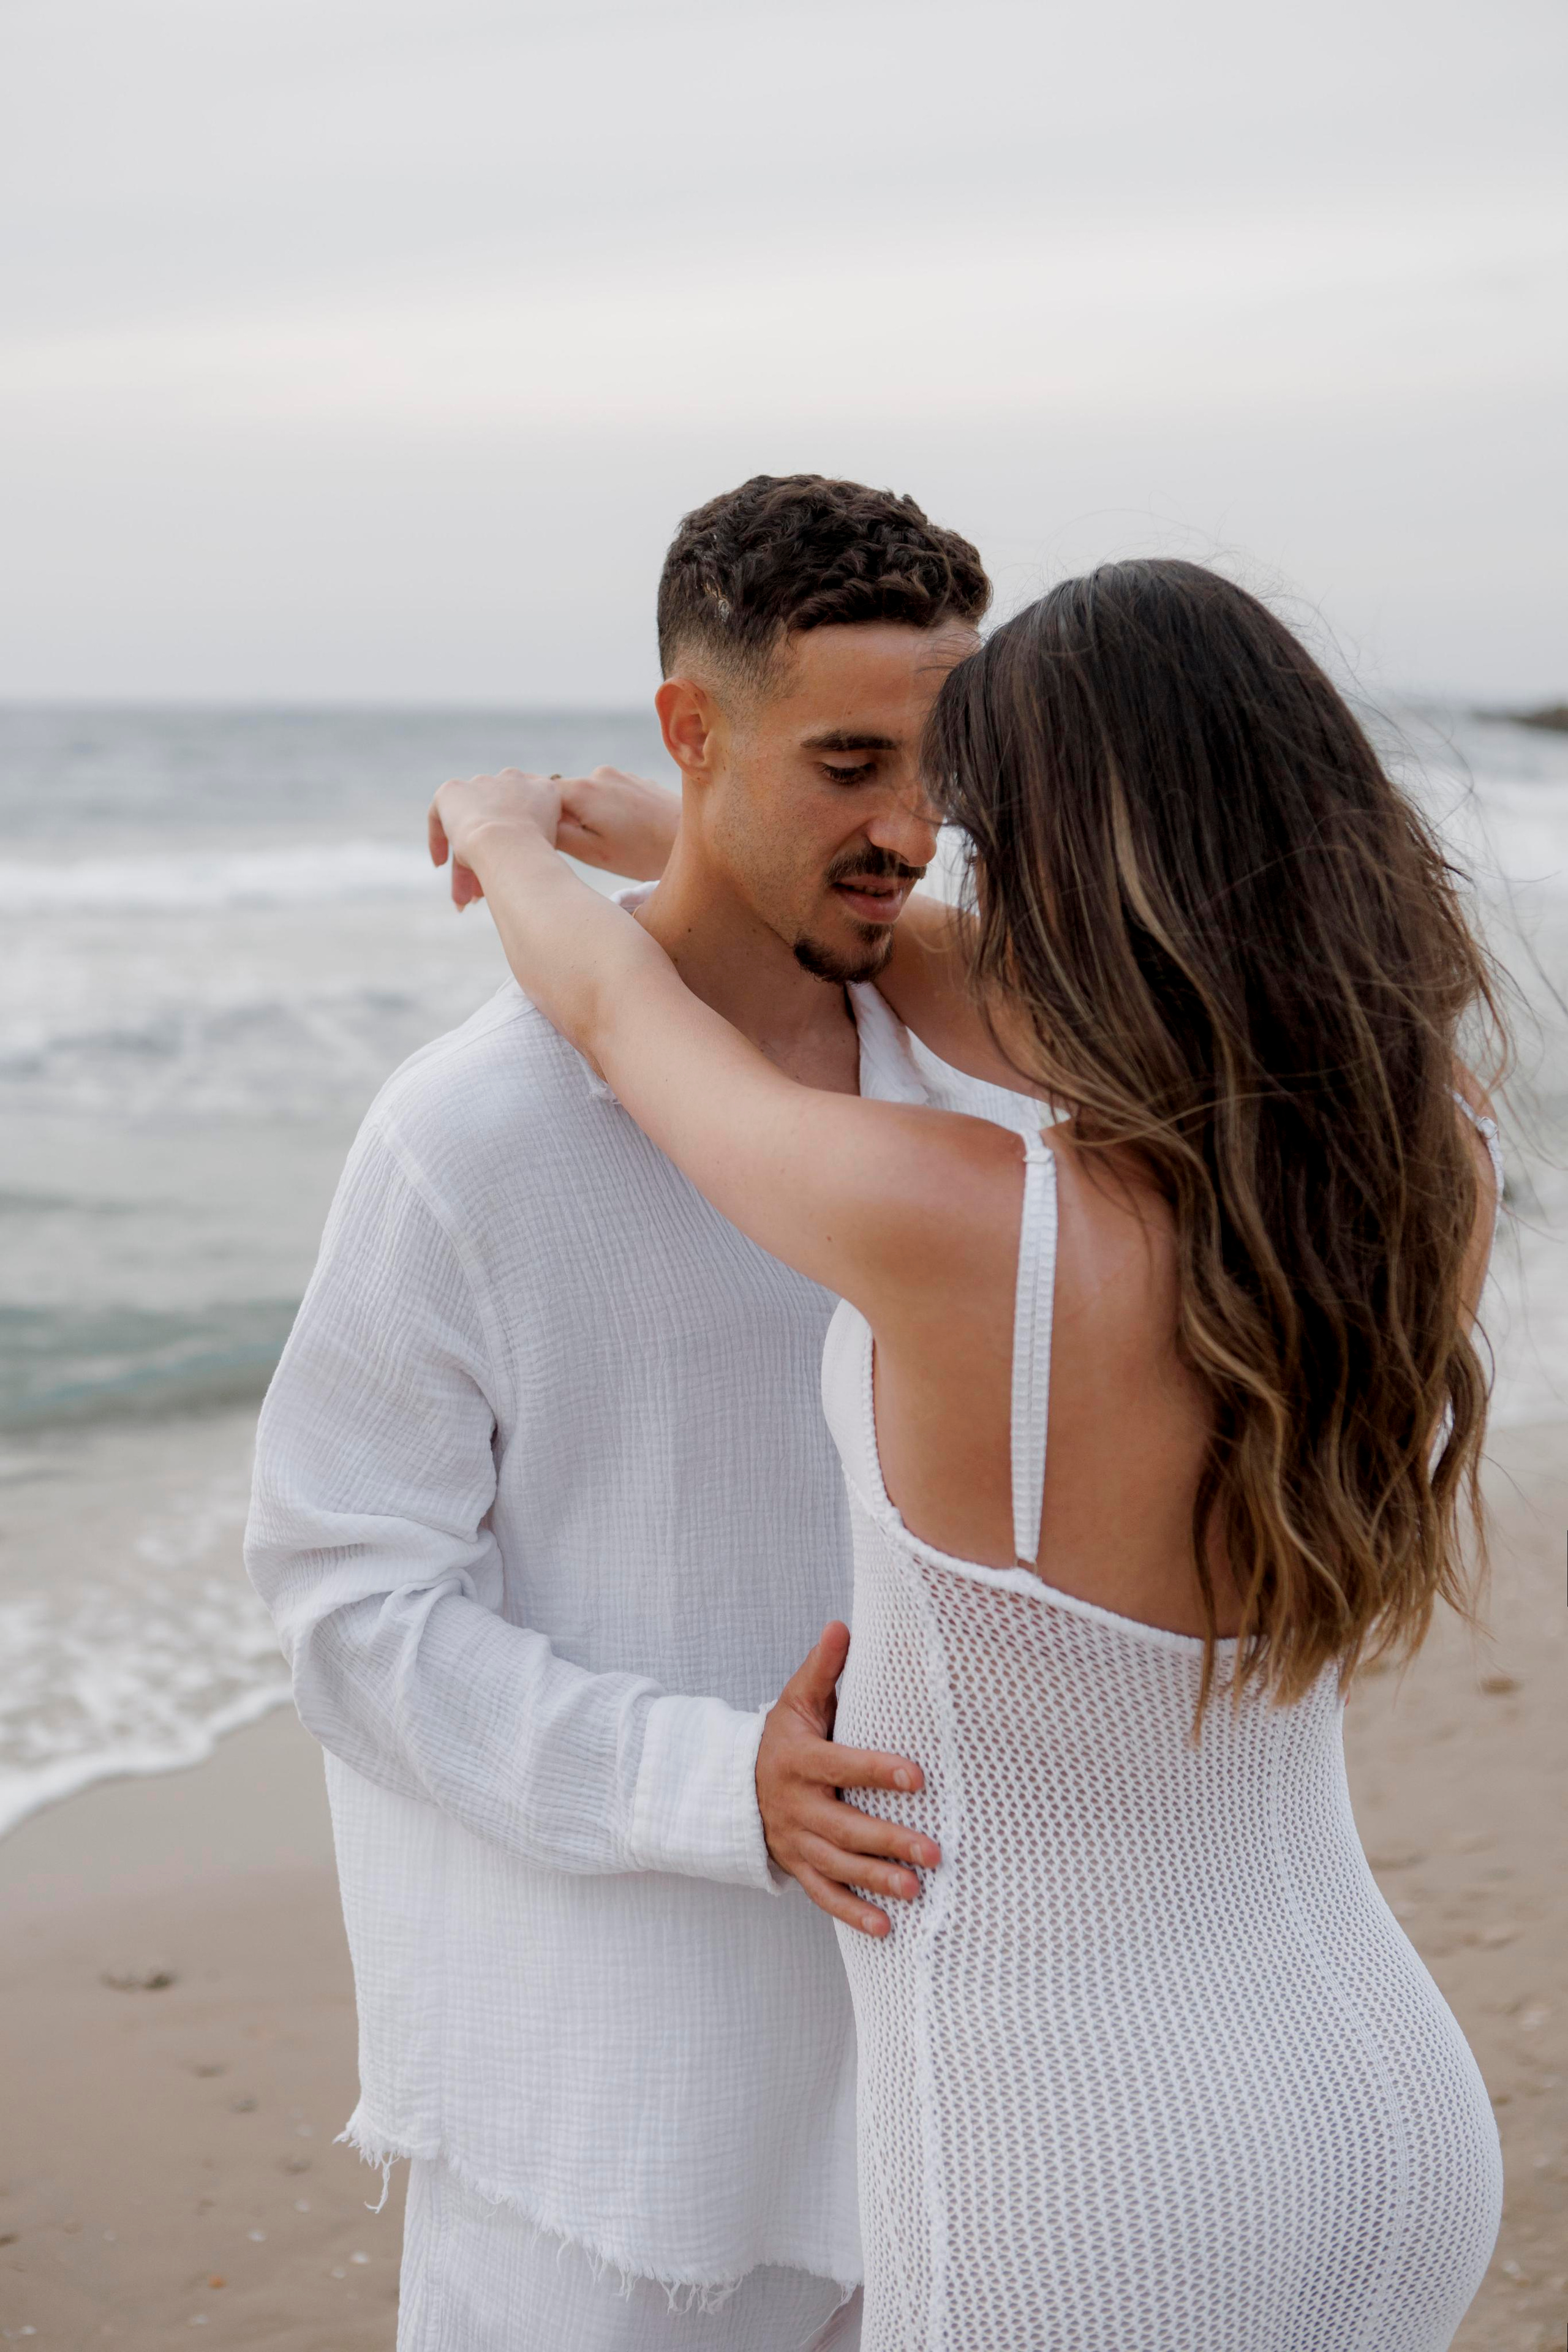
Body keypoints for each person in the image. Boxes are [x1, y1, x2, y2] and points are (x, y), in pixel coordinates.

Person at [428, 557, 1507, 2351]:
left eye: (984, 831)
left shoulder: (965, 1230)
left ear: (1080, 874)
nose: (937, 863)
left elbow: (621, 1013)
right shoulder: (1426, 1157)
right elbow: (1019, 982)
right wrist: (676, 830)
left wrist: (511, 841)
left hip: (1074, 2160)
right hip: (1385, 2111)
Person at [245, 474, 1047, 2350]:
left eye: (944, 770)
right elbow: (348, 1615)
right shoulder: (473, 1137)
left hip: (946, 2098)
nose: (913, 831)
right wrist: (720, 1790)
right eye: (849, 763)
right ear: (694, 733)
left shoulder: (987, 1095)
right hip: (607, 2137)